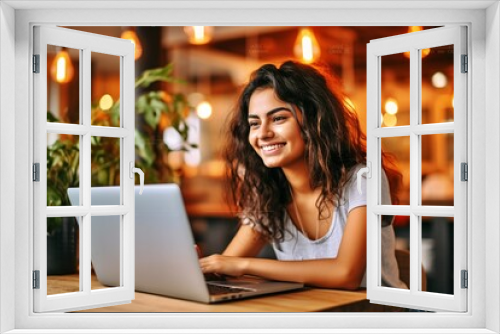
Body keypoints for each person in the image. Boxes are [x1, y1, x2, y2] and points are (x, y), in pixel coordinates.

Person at [199, 60, 407, 290]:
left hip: (379, 317)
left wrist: (245, 265)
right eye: (254, 123)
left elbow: (346, 274)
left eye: (278, 118)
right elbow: (226, 268)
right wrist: (197, 265)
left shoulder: (363, 179)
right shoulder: (270, 195)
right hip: (315, 315)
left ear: (315, 120)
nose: (263, 133)